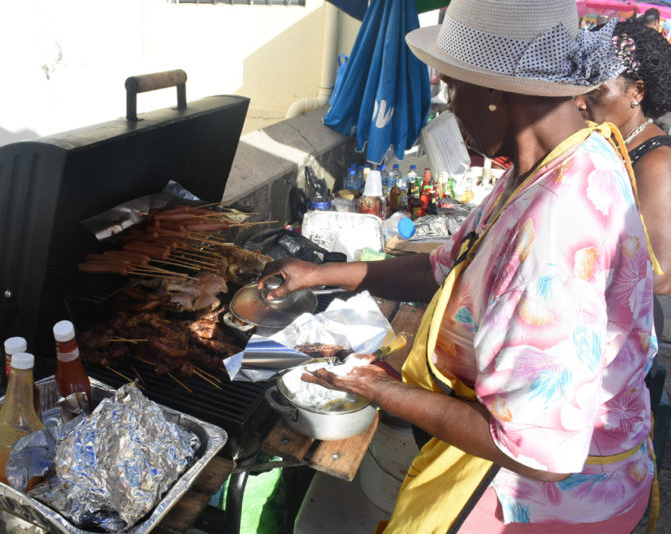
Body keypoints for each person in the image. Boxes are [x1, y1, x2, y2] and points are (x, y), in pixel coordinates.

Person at [259, 0, 660, 531]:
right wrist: (320, 274)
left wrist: (382, 390)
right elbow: (445, 268)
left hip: (544, 505)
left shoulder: (555, 225)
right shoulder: (558, 160)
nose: (450, 110)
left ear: (495, 91)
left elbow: (537, 449)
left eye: (453, 88)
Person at [576, 21, 671, 340]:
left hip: (625, 336)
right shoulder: (608, 146)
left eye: (596, 90)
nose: (579, 102)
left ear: (638, 91)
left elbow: (659, 274)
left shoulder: (657, 162)